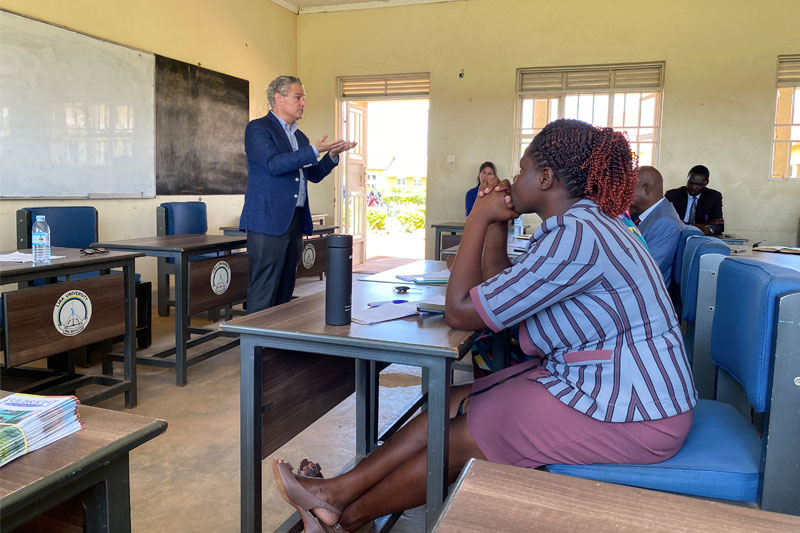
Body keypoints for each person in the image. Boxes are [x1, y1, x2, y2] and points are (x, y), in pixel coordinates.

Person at [271, 119, 696, 533]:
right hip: (606, 383)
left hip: (633, 409)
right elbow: (500, 286)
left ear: (546, 178)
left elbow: (459, 311)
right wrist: (497, 224)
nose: (514, 178)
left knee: (461, 438)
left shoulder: (577, 237)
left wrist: (476, 217)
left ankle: (344, 517)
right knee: (448, 402)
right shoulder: (586, 224)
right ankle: (336, 493)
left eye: (523, 169)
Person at [240, 75, 356, 313]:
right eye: (298, 97)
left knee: (285, 288)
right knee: (265, 289)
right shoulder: (258, 128)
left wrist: (331, 155)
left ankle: (278, 346)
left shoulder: (299, 136)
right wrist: (314, 150)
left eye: (304, 98)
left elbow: (312, 174)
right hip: (267, 220)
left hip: (294, 220)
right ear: (278, 98)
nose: (303, 103)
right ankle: (255, 348)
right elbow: (273, 164)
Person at [630, 165, 686, 288]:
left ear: (646, 189)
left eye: (628, 190)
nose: (623, 196)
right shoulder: (652, 216)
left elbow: (643, 272)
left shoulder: (665, 223)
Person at [665, 165, 724, 235]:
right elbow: (666, 221)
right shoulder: (673, 195)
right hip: (675, 235)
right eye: (690, 183)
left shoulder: (713, 197)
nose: (693, 187)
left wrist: (709, 229)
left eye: (698, 184)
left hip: (700, 238)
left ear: (706, 183)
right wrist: (701, 225)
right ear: (687, 179)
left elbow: (719, 225)